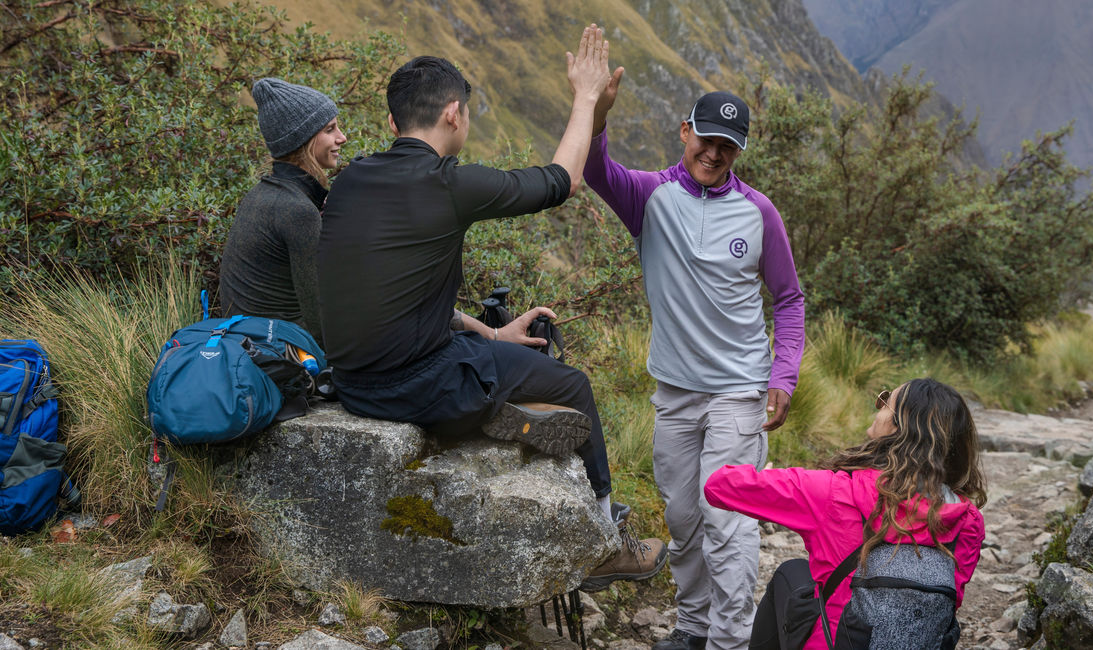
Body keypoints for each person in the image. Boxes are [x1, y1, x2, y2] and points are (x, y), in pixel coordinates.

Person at [316, 27, 664, 587]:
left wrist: (490, 337)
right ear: (454, 114)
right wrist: (585, 98)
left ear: (391, 125)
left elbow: (397, 297)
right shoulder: (449, 184)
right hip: (416, 385)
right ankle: (605, 542)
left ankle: (502, 391)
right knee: (570, 383)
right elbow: (562, 181)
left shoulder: (352, 178)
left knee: (506, 352)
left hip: (353, 381)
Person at [584, 71, 807, 647]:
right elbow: (593, 170)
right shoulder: (649, 197)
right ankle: (692, 628)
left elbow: (788, 298)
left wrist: (783, 374)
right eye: (705, 139)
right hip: (676, 393)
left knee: (727, 525)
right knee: (683, 521)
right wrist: (598, 114)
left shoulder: (760, 214)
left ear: (739, 151)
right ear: (684, 131)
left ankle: (729, 642)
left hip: (739, 391)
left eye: (726, 146)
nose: (713, 153)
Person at [704, 378, 987, 649]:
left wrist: (765, 479)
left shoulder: (837, 492)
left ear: (898, 427)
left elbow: (718, 486)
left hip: (836, 642)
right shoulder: (968, 520)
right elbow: (949, 602)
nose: (878, 407)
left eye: (886, 401)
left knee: (791, 573)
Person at [220, 78, 346, 343]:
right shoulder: (297, 211)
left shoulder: (263, 194)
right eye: (330, 129)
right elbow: (321, 322)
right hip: (281, 354)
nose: (341, 138)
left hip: (248, 343)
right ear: (304, 140)